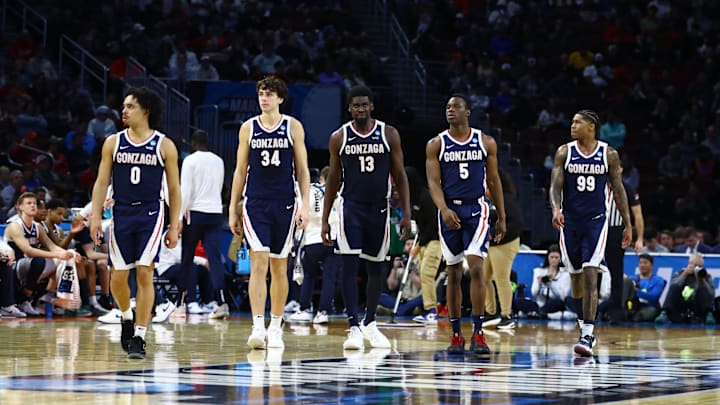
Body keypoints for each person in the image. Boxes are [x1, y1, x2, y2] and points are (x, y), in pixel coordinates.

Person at [89, 87, 182, 360]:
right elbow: (101, 182)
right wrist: (96, 216)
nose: (124, 110)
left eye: (130, 106)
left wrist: (174, 225)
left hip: (151, 214)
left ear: (146, 111)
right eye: (124, 105)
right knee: (118, 277)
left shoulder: (164, 145)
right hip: (122, 214)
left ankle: (140, 336)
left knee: (144, 273)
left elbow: (174, 189)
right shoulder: (113, 143)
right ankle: (126, 317)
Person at [322, 85, 411, 350]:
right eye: (355, 105)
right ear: (349, 108)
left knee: (376, 269)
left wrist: (406, 213)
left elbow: (400, 175)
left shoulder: (389, 133)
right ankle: (353, 326)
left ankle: (370, 322)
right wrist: (326, 218)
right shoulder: (339, 137)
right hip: (351, 208)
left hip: (380, 210)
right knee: (348, 268)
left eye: (365, 104)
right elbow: (333, 180)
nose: (360, 109)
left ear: (372, 106)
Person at [228, 77, 310, 350]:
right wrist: (232, 207)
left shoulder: (292, 127)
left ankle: (276, 326)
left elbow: (303, 169)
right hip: (255, 203)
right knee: (258, 263)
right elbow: (240, 170)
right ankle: (257, 326)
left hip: (285, 202)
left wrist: (305, 204)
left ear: (281, 99)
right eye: (262, 94)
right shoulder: (248, 128)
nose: (264, 98)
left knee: (279, 267)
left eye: (270, 94)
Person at [426, 94, 506, 355]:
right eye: (447, 107)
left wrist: (502, 217)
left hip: (477, 209)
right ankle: (456, 334)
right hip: (449, 209)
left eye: (456, 107)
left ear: (468, 112)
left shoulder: (485, 141)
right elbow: (433, 183)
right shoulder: (436, 144)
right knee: (453, 274)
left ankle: (479, 334)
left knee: (476, 267)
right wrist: (444, 209)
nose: (450, 110)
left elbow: (494, 181)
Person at [549, 109, 632, 357]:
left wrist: (628, 224)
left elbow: (618, 190)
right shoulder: (565, 152)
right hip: (570, 222)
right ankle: (582, 325)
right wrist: (555, 209)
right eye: (572, 121)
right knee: (575, 277)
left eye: (577, 122)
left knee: (590, 274)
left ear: (591, 127)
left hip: (596, 222)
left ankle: (587, 334)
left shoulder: (608, 154)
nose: (572, 125)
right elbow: (554, 185)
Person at [179, 129, 228, 319]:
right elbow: (219, 187)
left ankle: (181, 303)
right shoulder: (219, 161)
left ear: (192, 144)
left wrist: (178, 218)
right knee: (214, 259)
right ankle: (222, 301)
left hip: (195, 213)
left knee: (187, 257)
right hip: (215, 212)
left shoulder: (190, 160)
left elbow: (185, 191)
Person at [4, 192, 76, 317]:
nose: (33, 206)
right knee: (39, 261)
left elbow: (53, 247)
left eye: (34, 203)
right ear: (19, 207)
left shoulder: (37, 227)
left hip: (30, 266)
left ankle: (45, 296)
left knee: (65, 262)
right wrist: (57, 255)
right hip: (13, 265)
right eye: (29, 203)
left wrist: (69, 254)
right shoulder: (15, 226)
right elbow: (28, 251)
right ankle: (24, 297)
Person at [287, 166, 340, 325]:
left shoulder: (309, 190)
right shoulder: (338, 193)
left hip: (312, 239)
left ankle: (305, 309)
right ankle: (323, 312)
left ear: (321, 178)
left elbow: (300, 214)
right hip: (333, 238)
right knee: (329, 277)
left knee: (309, 275)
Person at [604, 157, 645, 323]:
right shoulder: (597, 186)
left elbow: (638, 215)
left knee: (616, 272)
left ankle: (614, 310)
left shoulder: (627, 188)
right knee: (591, 269)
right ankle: (590, 307)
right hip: (596, 230)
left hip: (616, 232)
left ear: (621, 169)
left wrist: (640, 238)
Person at [482, 168, 522, 329]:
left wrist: (493, 234)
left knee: (501, 278)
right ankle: (490, 312)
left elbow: (517, 223)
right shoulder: (489, 201)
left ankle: (507, 315)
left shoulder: (507, 199)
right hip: (491, 244)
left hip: (506, 243)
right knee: (482, 277)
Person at [405, 166, 443, 326]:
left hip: (435, 241)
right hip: (424, 241)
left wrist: (419, 244)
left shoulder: (426, 197)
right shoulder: (413, 200)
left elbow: (433, 224)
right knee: (423, 274)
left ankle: (432, 311)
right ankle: (428, 309)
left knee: (427, 273)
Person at [515, 244, 572, 319]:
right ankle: (539, 313)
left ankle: (537, 313)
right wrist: (539, 284)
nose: (554, 260)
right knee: (519, 301)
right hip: (539, 303)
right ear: (547, 258)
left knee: (558, 302)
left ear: (560, 259)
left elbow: (562, 297)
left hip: (554, 304)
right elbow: (534, 293)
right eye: (552, 257)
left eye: (556, 257)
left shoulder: (565, 275)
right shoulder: (538, 271)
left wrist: (551, 285)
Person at [655, 253, 714, 324]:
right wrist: (685, 274)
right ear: (689, 264)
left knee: (703, 289)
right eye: (694, 265)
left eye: (698, 266)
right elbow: (673, 286)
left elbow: (711, 294)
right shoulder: (680, 273)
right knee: (675, 286)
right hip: (682, 302)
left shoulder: (706, 276)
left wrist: (702, 281)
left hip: (697, 304)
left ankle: (708, 315)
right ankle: (664, 313)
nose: (695, 267)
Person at [625, 253, 665, 323]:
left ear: (652, 265)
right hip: (633, 306)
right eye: (640, 263)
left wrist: (636, 291)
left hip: (649, 307)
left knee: (648, 313)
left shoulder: (658, 280)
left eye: (645, 263)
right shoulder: (631, 279)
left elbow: (654, 296)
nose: (642, 265)